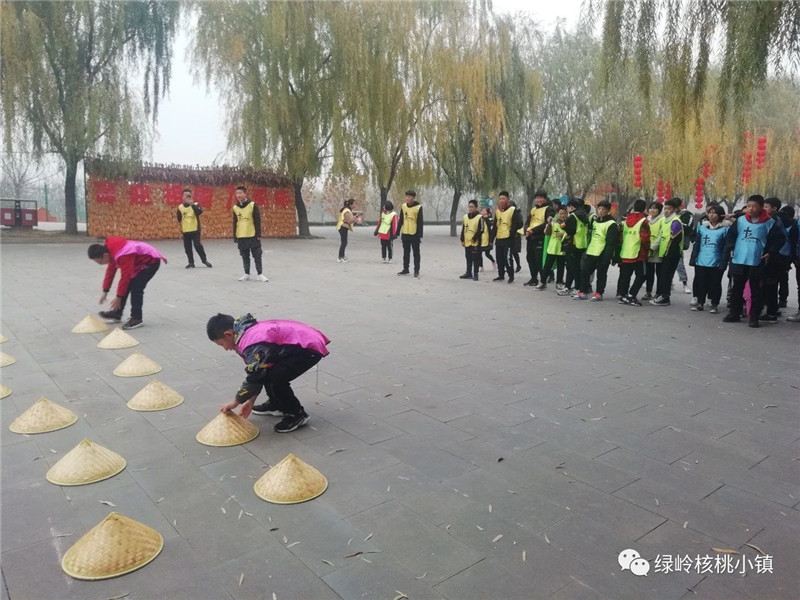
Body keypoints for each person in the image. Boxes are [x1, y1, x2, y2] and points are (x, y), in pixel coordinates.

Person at [208, 313, 329, 433]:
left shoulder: (251, 343)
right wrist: (250, 401)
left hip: (307, 347)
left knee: (276, 379)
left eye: (221, 344)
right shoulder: (242, 333)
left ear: (228, 334)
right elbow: (259, 371)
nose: (224, 348)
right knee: (268, 372)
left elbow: (255, 376)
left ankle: (296, 414)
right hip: (298, 344)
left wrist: (236, 402)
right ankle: (277, 404)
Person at [722, 195, 786, 327]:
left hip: (758, 260)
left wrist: (770, 252)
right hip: (739, 259)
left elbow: (779, 239)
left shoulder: (770, 222)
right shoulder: (740, 221)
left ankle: (754, 317)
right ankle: (735, 313)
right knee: (736, 288)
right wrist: (731, 248)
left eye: (754, 206)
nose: (751, 209)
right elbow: (730, 236)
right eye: (749, 206)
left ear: (761, 207)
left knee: (756, 290)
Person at [89, 237, 167, 330]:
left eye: (99, 261)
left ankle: (137, 318)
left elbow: (125, 277)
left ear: (105, 255)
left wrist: (118, 297)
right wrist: (105, 291)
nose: (100, 264)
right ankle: (117, 313)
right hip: (138, 263)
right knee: (125, 287)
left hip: (150, 262)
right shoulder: (111, 251)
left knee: (136, 288)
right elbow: (110, 272)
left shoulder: (123, 254)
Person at [688, 204, 731, 313]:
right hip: (701, 260)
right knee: (701, 282)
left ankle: (714, 304)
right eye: (710, 212)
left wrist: (723, 262)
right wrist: (693, 258)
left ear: (720, 215)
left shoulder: (725, 229)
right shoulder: (702, 228)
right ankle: (700, 303)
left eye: (714, 213)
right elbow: (697, 245)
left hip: (716, 261)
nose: (711, 215)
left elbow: (726, 248)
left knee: (715, 283)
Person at [573, 200, 618, 301]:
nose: (601, 211)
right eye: (599, 209)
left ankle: (599, 293)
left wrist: (607, 256)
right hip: (591, 251)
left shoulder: (612, 224)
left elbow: (611, 242)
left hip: (602, 252)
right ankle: (583, 291)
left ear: (608, 211)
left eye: (603, 209)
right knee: (584, 271)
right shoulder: (595, 221)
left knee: (601, 274)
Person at [650, 198, 685, 306]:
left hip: (671, 254)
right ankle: (662, 294)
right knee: (662, 275)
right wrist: (652, 248)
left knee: (667, 275)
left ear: (674, 209)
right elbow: (661, 236)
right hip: (663, 253)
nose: (666, 211)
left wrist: (668, 254)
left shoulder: (676, 222)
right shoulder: (665, 221)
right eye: (665, 208)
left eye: (669, 209)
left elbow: (675, 240)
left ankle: (665, 297)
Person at [616, 199, 651, 307]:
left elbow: (621, 237)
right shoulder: (643, 221)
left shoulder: (625, 220)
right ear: (644, 209)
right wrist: (648, 248)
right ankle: (631, 295)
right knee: (642, 275)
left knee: (625, 275)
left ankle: (622, 295)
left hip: (626, 251)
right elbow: (645, 238)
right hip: (638, 252)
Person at [232, 186, 268, 282]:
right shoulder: (235, 208)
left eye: (240, 193)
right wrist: (235, 236)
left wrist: (258, 234)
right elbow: (235, 222)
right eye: (237, 193)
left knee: (257, 255)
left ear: (245, 194)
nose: (238, 195)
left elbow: (257, 220)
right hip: (241, 235)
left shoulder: (252, 205)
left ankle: (260, 274)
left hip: (252, 235)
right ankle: (247, 273)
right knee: (244, 255)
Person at [560, 198, 590, 296]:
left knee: (571, 267)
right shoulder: (584, 216)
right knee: (577, 267)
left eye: (568, 207)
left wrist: (563, 225)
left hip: (572, 244)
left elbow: (569, 230)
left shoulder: (573, 216)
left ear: (571, 207)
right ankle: (577, 287)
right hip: (581, 244)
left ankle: (569, 287)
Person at [523, 191, 553, 289]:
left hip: (540, 237)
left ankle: (543, 281)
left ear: (545, 198)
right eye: (537, 198)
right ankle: (533, 278)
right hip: (531, 238)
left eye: (541, 198)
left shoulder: (549, 209)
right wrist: (527, 230)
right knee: (530, 258)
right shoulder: (533, 210)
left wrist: (533, 230)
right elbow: (527, 222)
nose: (539, 200)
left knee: (539, 260)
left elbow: (547, 223)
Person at [177, 188, 212, 269]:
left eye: (188, 195)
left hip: (195, 230)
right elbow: (179, 219)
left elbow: (199, 212)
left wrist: (192, 204)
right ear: (182, 197)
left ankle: (204, 260)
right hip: (185, 231)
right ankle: (191, 262)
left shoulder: (196, 204)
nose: (187, 196)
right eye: (185, 195)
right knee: (187, 248)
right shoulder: (180, 207)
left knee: (198, 246)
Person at [492, 192, 522, 283]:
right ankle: (501, 275)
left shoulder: (513, 210)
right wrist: (491, 239)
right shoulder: (498, 211)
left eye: (503, 198)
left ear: (508, 199)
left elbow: (519, 224)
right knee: (499, 258)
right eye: (500, 198)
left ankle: (511, 275)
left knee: (507, 258)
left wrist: (511, 232)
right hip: (499, 237)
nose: (501, 200)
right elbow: (495, 226)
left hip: (508, 238)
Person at [776, 204, 798, 312]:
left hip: (784, 253)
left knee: (782, 278)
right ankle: (782, 299)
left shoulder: (791, 225)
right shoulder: (789, 224)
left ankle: (782, 299)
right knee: (783, 277)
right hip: (785, 254)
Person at [397, 190, 424, 277]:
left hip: (414, 233)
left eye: (409, 197)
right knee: (406, 252)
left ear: (413, 198)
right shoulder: (403, 206)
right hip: (405, 232)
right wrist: (397, 231)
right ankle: (405, 269)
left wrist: (420, 235)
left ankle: (416, 270)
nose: (407, 198)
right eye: (406, 196)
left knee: (416, 253)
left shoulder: (418, 207)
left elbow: (420, 222)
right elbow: (401, 219)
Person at [542, 206, 568, 290]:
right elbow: (546, 233)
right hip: (552, 248)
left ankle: (559, 282)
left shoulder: (568, 223)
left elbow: (570, 234)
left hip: (562, 249)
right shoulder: (553, 223)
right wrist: (549, 224)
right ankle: (543, 282)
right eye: (561, 214)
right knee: (547, 266)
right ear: (557, 214)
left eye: (564, 214)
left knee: (561, 267)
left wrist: (563, 235)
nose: (562, 215)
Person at [642, 202, 664, 301]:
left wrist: (653, 246)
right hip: (647, 249)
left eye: (655, 208)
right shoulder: (646, 220)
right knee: (649, 272)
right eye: (651, 208)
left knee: (659, 273)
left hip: (657, 250)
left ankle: (659, 292)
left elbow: (661, 235)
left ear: (659, 210)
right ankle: (648, 291)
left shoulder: (662, 220)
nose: (652, 210)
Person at [459, 199, 484, 281]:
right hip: (467, 241)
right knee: (468, 257)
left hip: (475, 242)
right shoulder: (465, 217)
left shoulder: (480, 217)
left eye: (472, 207)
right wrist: (462, 239)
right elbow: (463, 229)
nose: (470, 208)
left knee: (475, 258)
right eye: (469, 207)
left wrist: (474, 238)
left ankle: (476, 273)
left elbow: (481, 229)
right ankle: (468, 272)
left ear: (476, 207)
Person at [336, 198, 356, 263]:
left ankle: (342, 256)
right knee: (344, 242)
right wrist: (355, 219)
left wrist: (354, 218)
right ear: (350, 205)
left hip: (343, 227)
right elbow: (349, 221)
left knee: (344, 242)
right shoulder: (347, 211)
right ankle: (340, 257)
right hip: (343, 227)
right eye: (354, 204)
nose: (355, 205)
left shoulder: (347, 210)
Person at [479, 207, 496, 271]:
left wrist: (486, 218)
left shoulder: (490, 219)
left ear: (487, 212)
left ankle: (493, 261)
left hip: (488, 239)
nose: (482, 211)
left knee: (487, 254)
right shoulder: (480, 219)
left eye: (484, 210)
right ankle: (481, 266)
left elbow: (491, 226)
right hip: (481, 239)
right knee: (479, 253)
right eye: (482, 210)